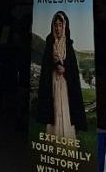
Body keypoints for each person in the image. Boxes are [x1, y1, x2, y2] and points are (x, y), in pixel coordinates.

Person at [35, 10, 87, 139]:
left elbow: (73, 69)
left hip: (65, 84)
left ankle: (67, 137)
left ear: (64, 26)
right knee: (55, 108)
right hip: (53, 82)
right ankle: (54, 138)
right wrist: (54, 65)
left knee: (66, 109)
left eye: (60, 25)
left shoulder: (68, 45)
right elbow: (46, 65)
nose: (58, 28)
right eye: (56, 25)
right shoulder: (49, 44)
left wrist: (66, 70)